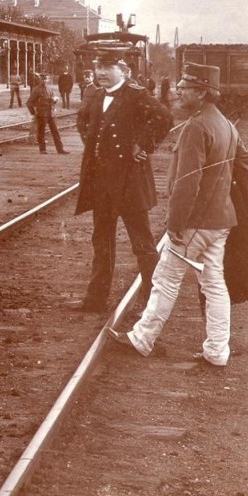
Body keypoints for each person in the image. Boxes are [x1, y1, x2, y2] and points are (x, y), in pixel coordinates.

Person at [107, 63, 244, 367]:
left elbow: (187, 182)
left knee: (166, 278)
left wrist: (175, 223)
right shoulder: (225, 124)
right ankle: (217, 351)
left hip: (195, 221)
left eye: (186, 86)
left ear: (202, 92)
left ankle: (142, 338)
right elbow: (243, 160)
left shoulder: (197, 126)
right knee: (214, 283)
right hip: (220, 220)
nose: (179, 90)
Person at [70, 50, 173, 313]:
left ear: (123, 69)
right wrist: (95, 147)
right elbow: (83, 121)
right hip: (102, 182)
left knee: (142, 242)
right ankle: (95, 299)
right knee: (101, 241)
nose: (101, 72)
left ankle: (152, 300)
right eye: (98, 67)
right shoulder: (94, 94)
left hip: (129, 182)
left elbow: (164, 118)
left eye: (107, 67)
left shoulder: (136, 94)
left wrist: (142, 144)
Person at [28, 74, 69, 154]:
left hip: (50, 113)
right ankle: (42, 149)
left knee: (55, 131)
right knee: (41, 132)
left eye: (45, 79)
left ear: (48, 80)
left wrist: (55, 100)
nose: (44, 81)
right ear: (40, 80)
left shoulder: (50, 89)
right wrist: (33, 113)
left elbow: (53, 99)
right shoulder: (36, 90)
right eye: (42, 79)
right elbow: (29, 103)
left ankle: (60, 149)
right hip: (42, 114)